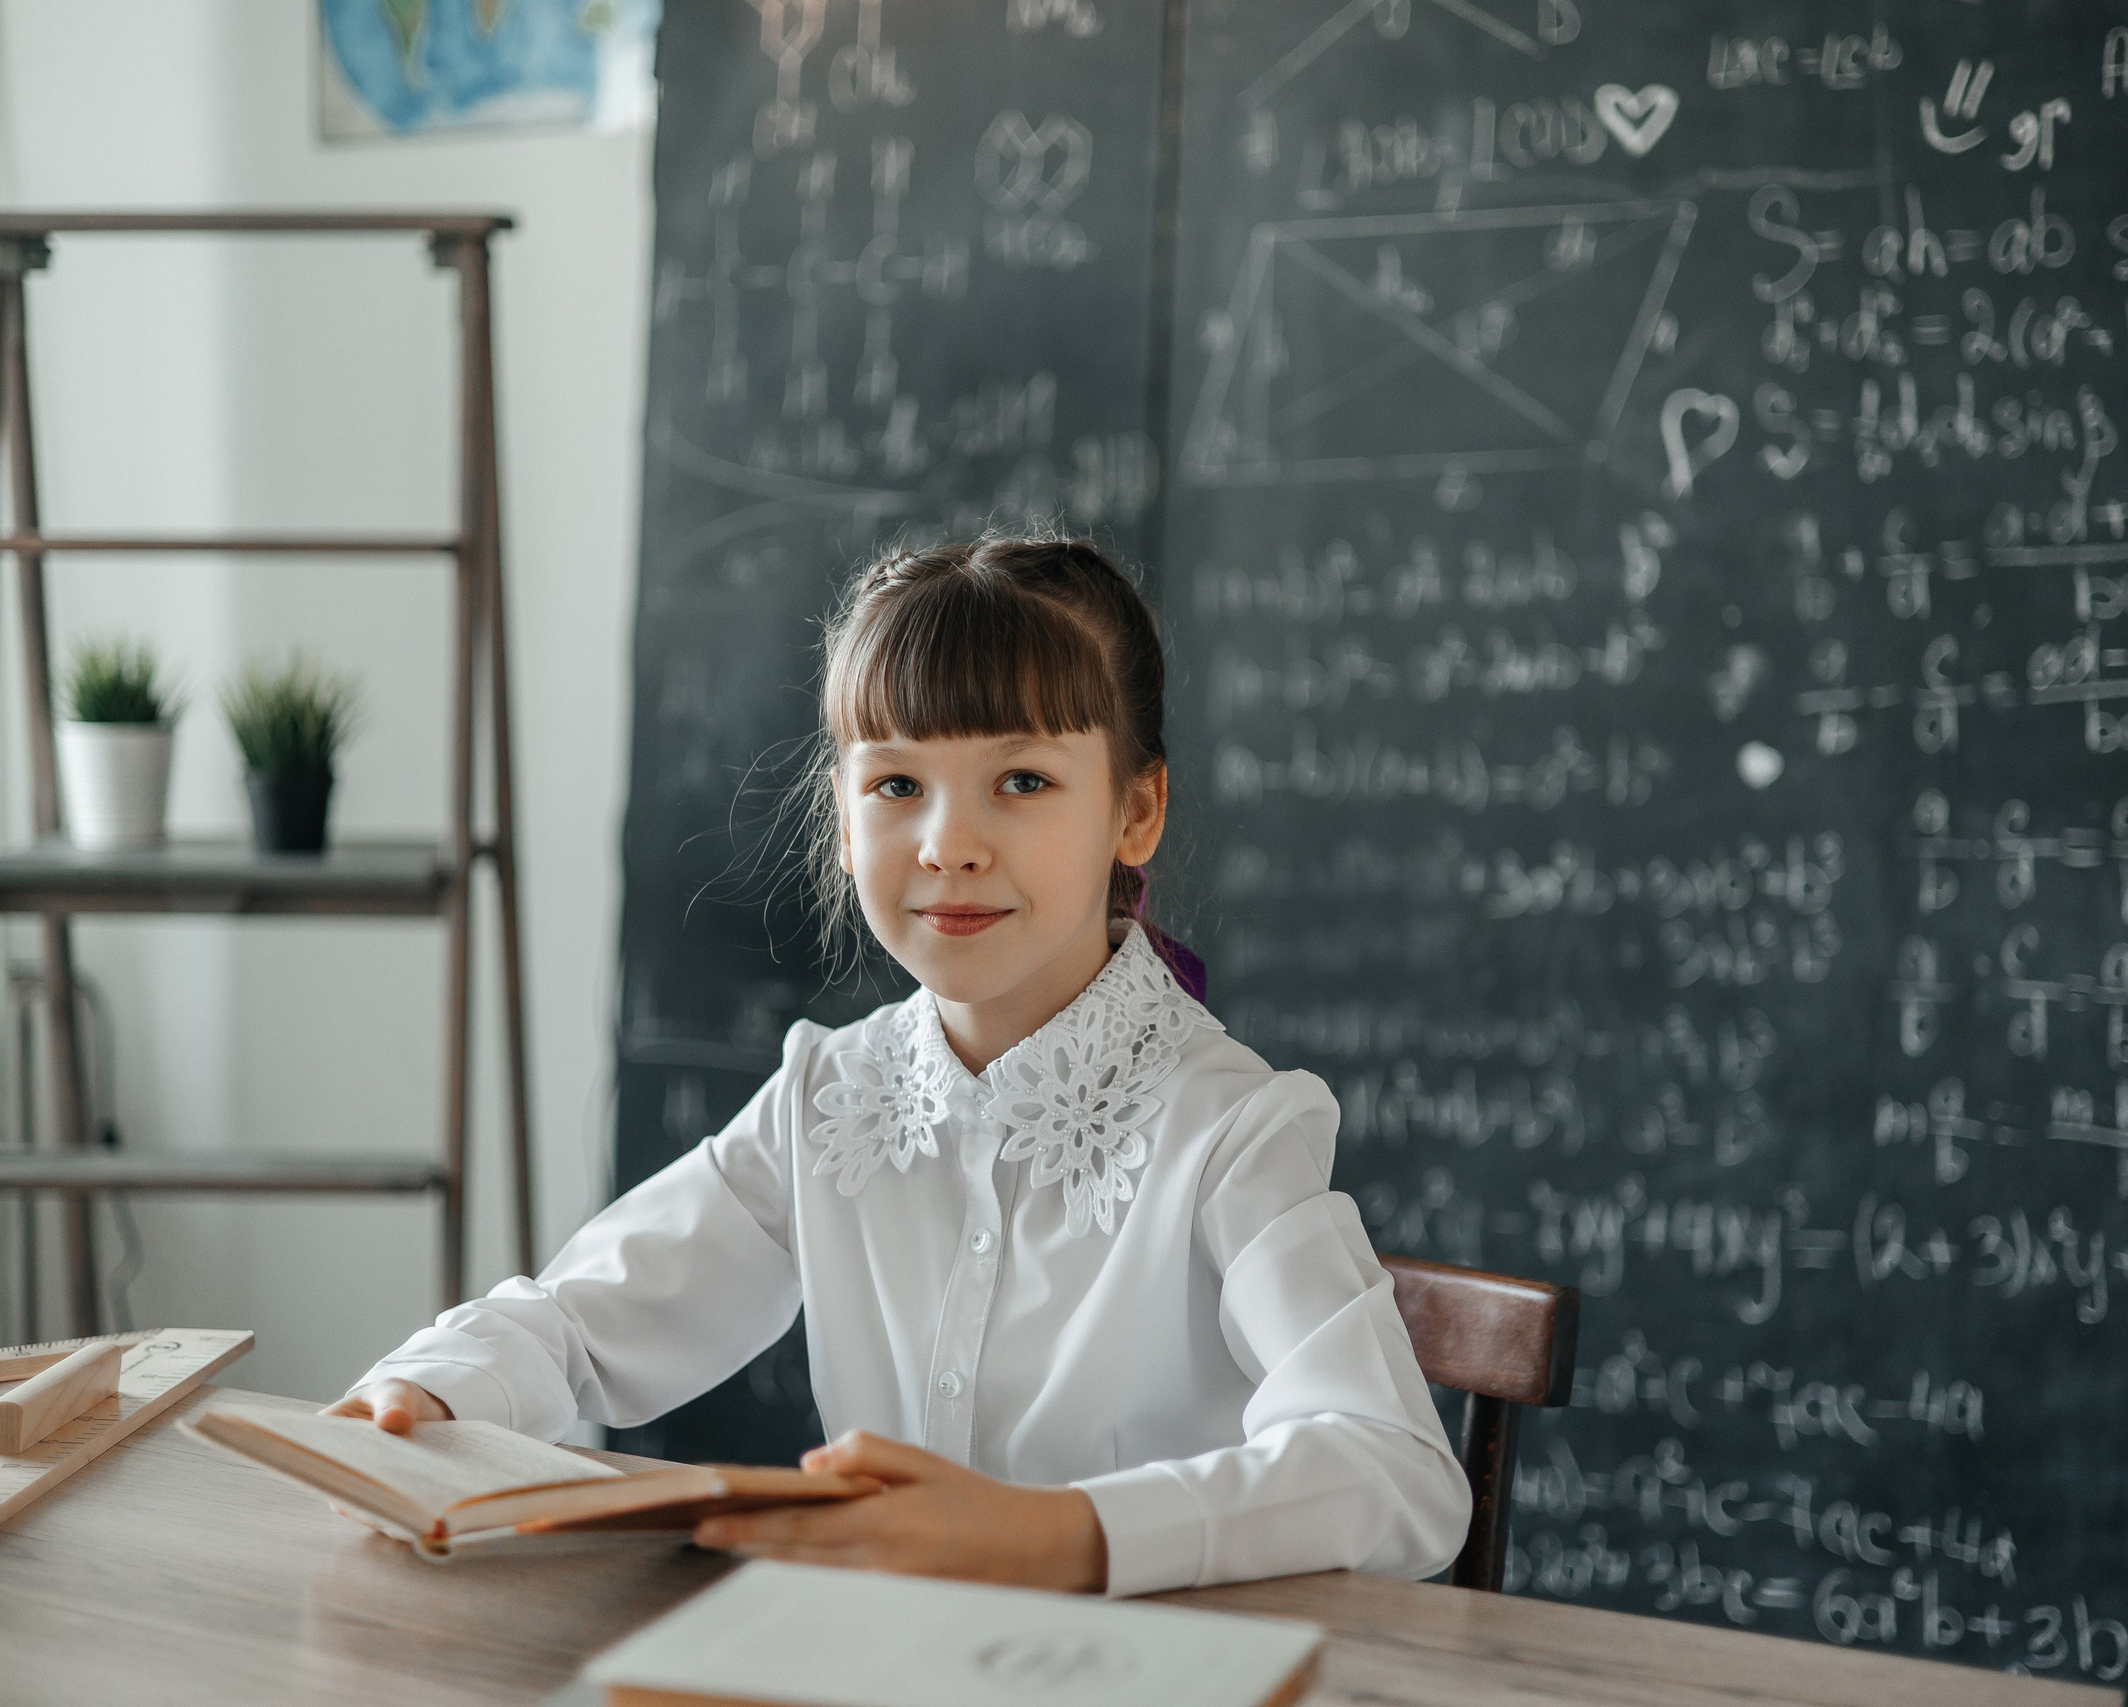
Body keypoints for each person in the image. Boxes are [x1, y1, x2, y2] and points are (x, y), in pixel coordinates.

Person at [329, 535, 1469, 1594]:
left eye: (1020, 782)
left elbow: (1398, 1471)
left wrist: (1055, 1534)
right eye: (896, 786)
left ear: (1136, 808)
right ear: (840, 813)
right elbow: (581, 1321)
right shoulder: (828, 1099)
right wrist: (433, 1389)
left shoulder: (1230, 1130)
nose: (948, 844)